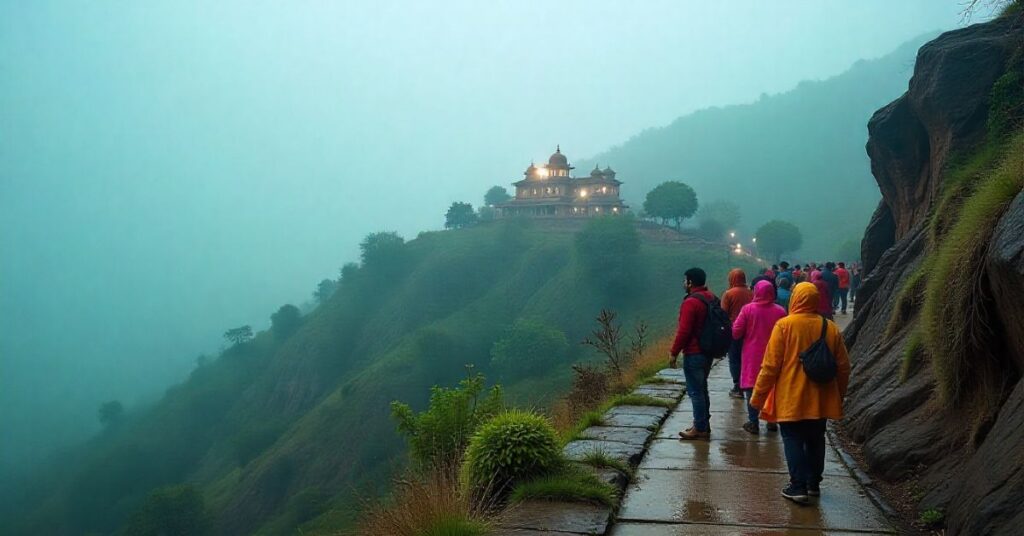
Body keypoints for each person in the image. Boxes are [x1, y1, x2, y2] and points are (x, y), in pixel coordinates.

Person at [750, 282, 851, 505]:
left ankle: (797, 486)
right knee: (816, 440)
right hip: (821, 399)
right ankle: (813, 484)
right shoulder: (830, 327)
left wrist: (757, 397)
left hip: (791, 397)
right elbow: (843, 366)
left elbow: (770, 367)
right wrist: (839, 394)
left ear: (795, 299)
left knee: (792, 439)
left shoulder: (784, 326)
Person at [732, 280, 786, 435]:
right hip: (775, 354)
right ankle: (771, 420)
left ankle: (753, 422)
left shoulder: (748, 309)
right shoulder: (780, 311)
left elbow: (736, 332)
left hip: (752, 355)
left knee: (751, 388)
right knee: (773, 387)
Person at [669, 267, 717, 440]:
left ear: (690, 282)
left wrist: (674, 352)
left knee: (695, 392)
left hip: (694, 352)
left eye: (685, 280)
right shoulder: (711, 297)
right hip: (708, 351)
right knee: (702, 389)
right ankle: (703, 423)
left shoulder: (691, 302)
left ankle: (700, 428)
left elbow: (684, 331)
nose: (684, 283)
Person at [721, 269, 753, 399]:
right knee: (746, 359)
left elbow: (723, 314)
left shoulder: (728, 294)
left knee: (734, 359)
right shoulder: (751, 293)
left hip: (733, 331)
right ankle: (747, 384)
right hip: (749, 331)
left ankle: (737, 386)